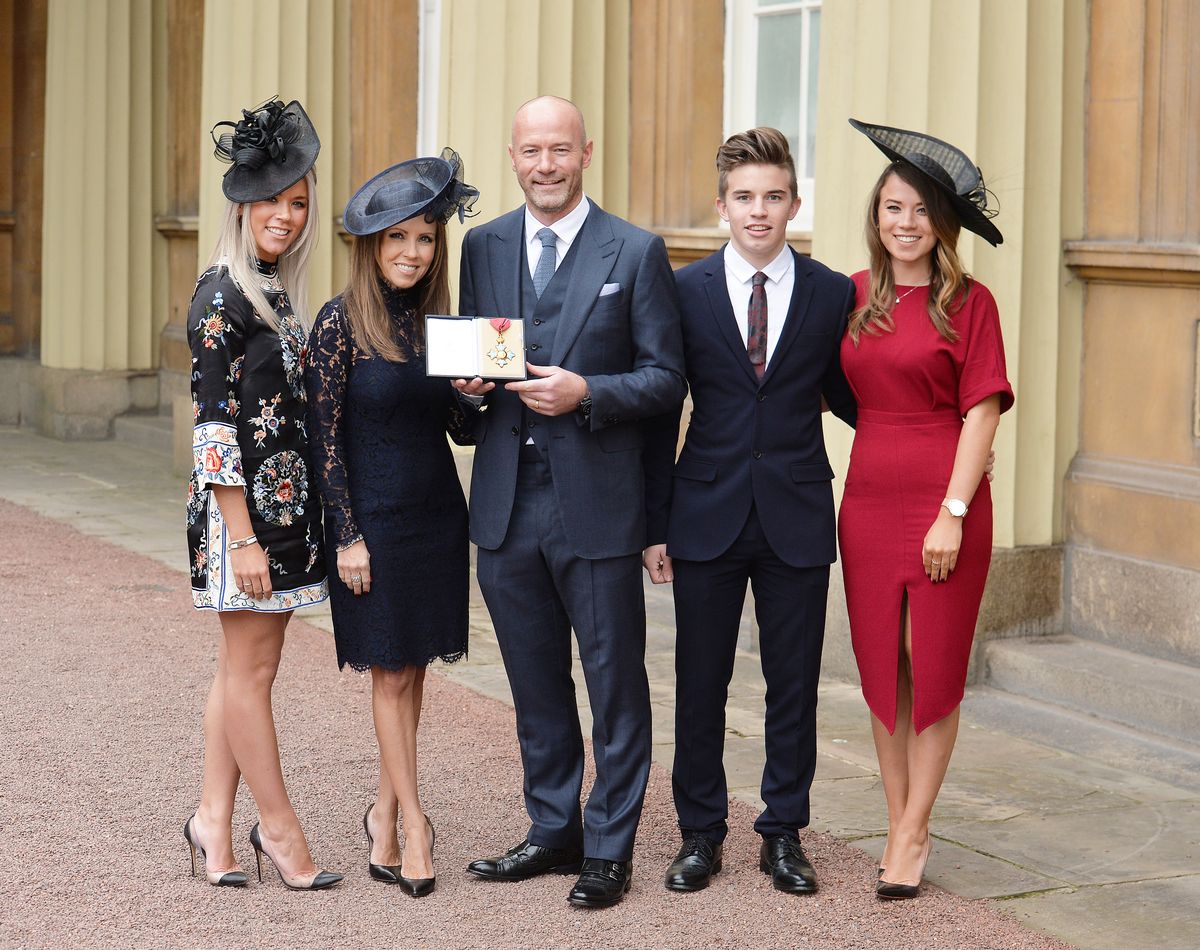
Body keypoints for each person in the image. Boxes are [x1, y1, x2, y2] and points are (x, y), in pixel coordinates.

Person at [452, 95, 686, 908]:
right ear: (512, 157)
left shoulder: (637, 250)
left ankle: (610, 844)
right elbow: (470, 377)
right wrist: (472, 391)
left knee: (614, 681)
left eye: (559, 149)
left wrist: (589, 391)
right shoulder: (481, 247)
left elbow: (666, 380)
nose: (544, 165)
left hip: (599, 507)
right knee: (535, 682)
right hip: (508, 505)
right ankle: (554, 830)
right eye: (530, 151)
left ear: (587, 152)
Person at [642, 128, 857, 896]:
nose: (758, 211)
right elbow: (664, 405)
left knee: (792, 683)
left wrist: (939, 434)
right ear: (722, 205)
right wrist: (654, 522)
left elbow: (853, 396)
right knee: (699, 682)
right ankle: (700, 832)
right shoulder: (686, 289)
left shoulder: (834, 293)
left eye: (773, 197)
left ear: (795, 204)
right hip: (704, 510)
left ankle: (783, 832)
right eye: (744, 198)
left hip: (797, 510)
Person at [840, 119, 1013, 899]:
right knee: (885, 665)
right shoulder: (850, 296)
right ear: (875, 219)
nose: (903, 224)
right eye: (890, 209)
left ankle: (913, 832)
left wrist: (954, 506)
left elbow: (983, 411)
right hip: (869, 496)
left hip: (948, 499)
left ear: (941, 223)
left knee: (934, 666)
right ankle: (898, 818)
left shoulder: (971, 303)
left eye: (918, 210)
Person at [304, 150, 480, 899]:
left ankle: (381, 811)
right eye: (398, 238)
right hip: (369, 523)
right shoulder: (340, 322)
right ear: (372, 245)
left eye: (426, 239)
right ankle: (415, 822)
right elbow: (323, 439)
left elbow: (458, 429)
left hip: (436, 515)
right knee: (387, 671)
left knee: (412, 673)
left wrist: (474, 394)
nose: (413, 252)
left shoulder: (439, 324)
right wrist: (345, 535)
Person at [184, 97, 340, 890]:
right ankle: (277, 829)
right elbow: (213, 428)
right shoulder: (221, 295)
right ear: (241, 202)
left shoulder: (271, 289)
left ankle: (212, 821)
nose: (287, 214)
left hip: (278, 518)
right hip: (240, 519)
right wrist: (241, 535)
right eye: (274, 198)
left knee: (243, 670)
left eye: (299, 201)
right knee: (250, 672)